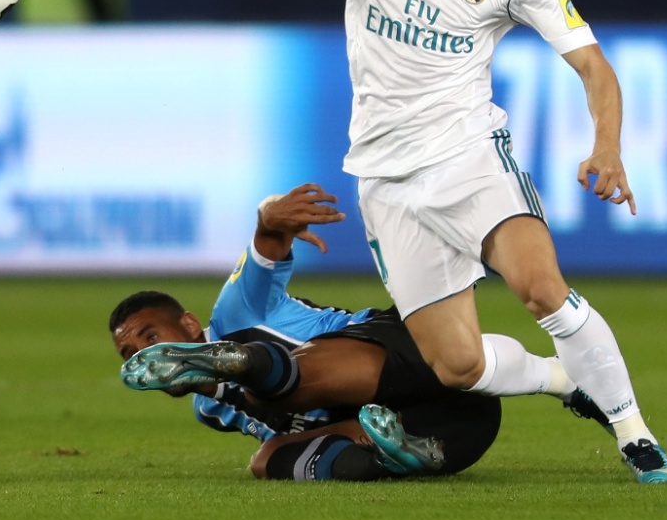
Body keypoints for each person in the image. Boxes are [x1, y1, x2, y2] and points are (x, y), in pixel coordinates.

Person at [82, 0, 667, 484]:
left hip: (469, 158)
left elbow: (594, 66)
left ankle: (634, 433)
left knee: (540, 287)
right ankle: (564, 379)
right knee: (456, 365)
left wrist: (606, 145)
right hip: (388, 183)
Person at [113, 184, 581, 480]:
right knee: (265, 459)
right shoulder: (210, 411)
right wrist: (355, 440)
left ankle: (240, 361)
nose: (139, 357)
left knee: (267, 394)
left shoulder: (236, 309)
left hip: (408, 353)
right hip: (451, 433)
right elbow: (317, 431)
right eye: (131, 354)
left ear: (190, 325)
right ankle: (395, 457)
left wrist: (269, 217)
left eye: (150, 339)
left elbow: (268, 241)